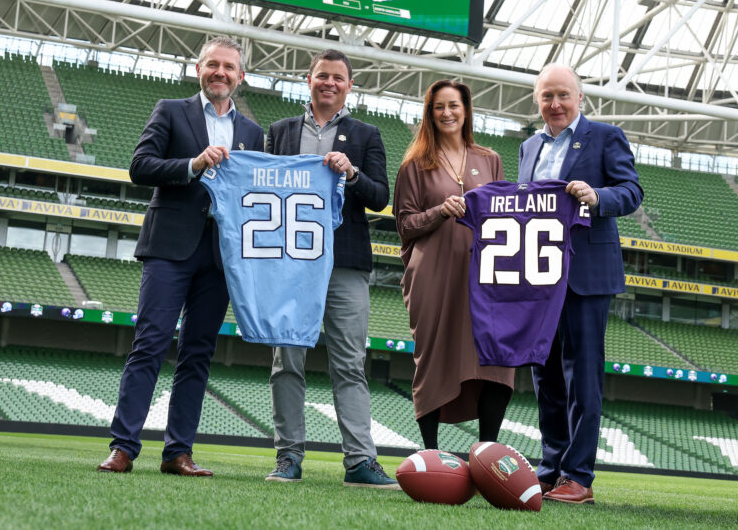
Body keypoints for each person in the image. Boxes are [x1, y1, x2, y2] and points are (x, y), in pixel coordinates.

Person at [98, 36, 265, 476]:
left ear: (240, 77)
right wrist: (194, 164)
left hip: (221, 256)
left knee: (198, 353)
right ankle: (123, 448)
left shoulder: (253, 133)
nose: (220, 73)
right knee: (150, 343)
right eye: (213, 65)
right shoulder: (170, 110)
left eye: (229, 67)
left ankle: (178, 452)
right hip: (170, 247)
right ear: (198, 69)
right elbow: (140, 166)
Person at [263, 48, 397, 488]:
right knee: (287, 361)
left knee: (349, 363)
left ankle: (360, 461)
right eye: (323, 75)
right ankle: (288, 457)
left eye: (338, 77)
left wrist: (352, 173)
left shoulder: (366, 134)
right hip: (290, 264)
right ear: (309, 79)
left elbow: (380, 196)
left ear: (349, 86)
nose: (330, 83)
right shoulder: (280, 132)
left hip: (345, 264)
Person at [517, 64, 642, 504]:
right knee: (545, 375)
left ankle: (579, 477)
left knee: (581, 377)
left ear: (580, 98)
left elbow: (631, 191)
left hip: (586, 275)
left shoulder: (606, 137)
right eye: (547, 96)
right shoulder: (529, 146)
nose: (555, 104)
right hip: (540, 275)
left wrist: (597, 196)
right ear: (538, 100)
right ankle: (550, 469)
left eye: (563, 96)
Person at [393, 79, 514, 450]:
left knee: (496, 360)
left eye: (454, 106)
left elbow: (504, 214)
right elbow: (404, 224)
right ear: (430, 113)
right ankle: (430, 452)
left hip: (485, 275)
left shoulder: (489, 159)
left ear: (466, 110)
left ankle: (486, 453)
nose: (447, 113)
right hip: (433, 275)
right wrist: (438, 212)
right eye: (439, 107)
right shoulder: (415, 164)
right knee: (433, 360)